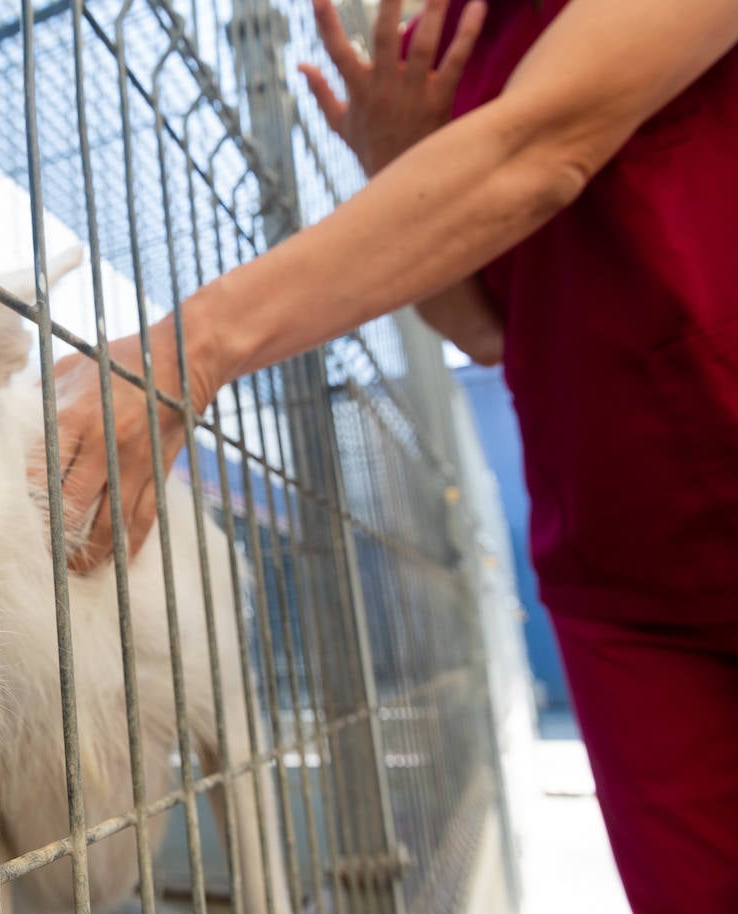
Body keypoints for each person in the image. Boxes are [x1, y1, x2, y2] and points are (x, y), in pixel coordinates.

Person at [49, 1, 738, 911]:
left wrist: (191, 345)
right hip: (613, 555)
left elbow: (543, 145)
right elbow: (487, 329)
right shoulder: (429, 50)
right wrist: (401, 165)